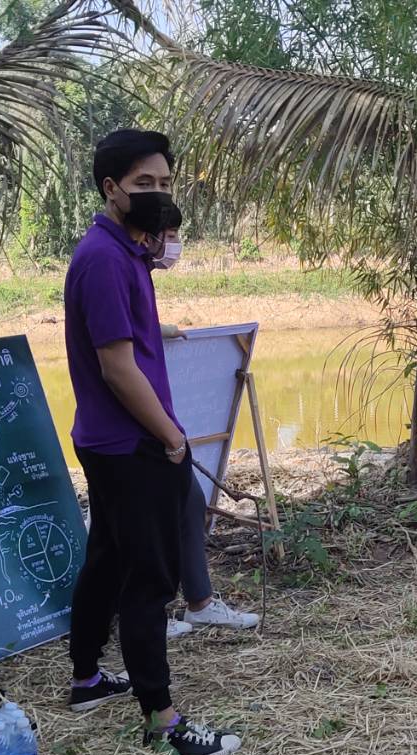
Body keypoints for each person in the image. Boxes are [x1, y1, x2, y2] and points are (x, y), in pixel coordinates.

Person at [62, 127, 240, 755]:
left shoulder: (122, 253)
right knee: (149, 579)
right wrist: (172, 437)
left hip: (107, 440)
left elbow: (120, 337)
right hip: (131, 444)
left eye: (165, 183)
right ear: (111, 189)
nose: (157, 194)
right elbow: (116, 367)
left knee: (107, 561)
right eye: (143, 185)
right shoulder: (105, 259)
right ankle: (162, 721)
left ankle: (86, 680)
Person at [151, 216, 259, 639]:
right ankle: (148, 613)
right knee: (136, 522)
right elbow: (114, 350)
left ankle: (199, 602)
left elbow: (133, 328)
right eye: (170, 235)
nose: (175, 245)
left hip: (156, 422)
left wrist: (165, 330)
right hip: (129, 429)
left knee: (190, 502)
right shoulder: (109, 262)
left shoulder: (136, 269)